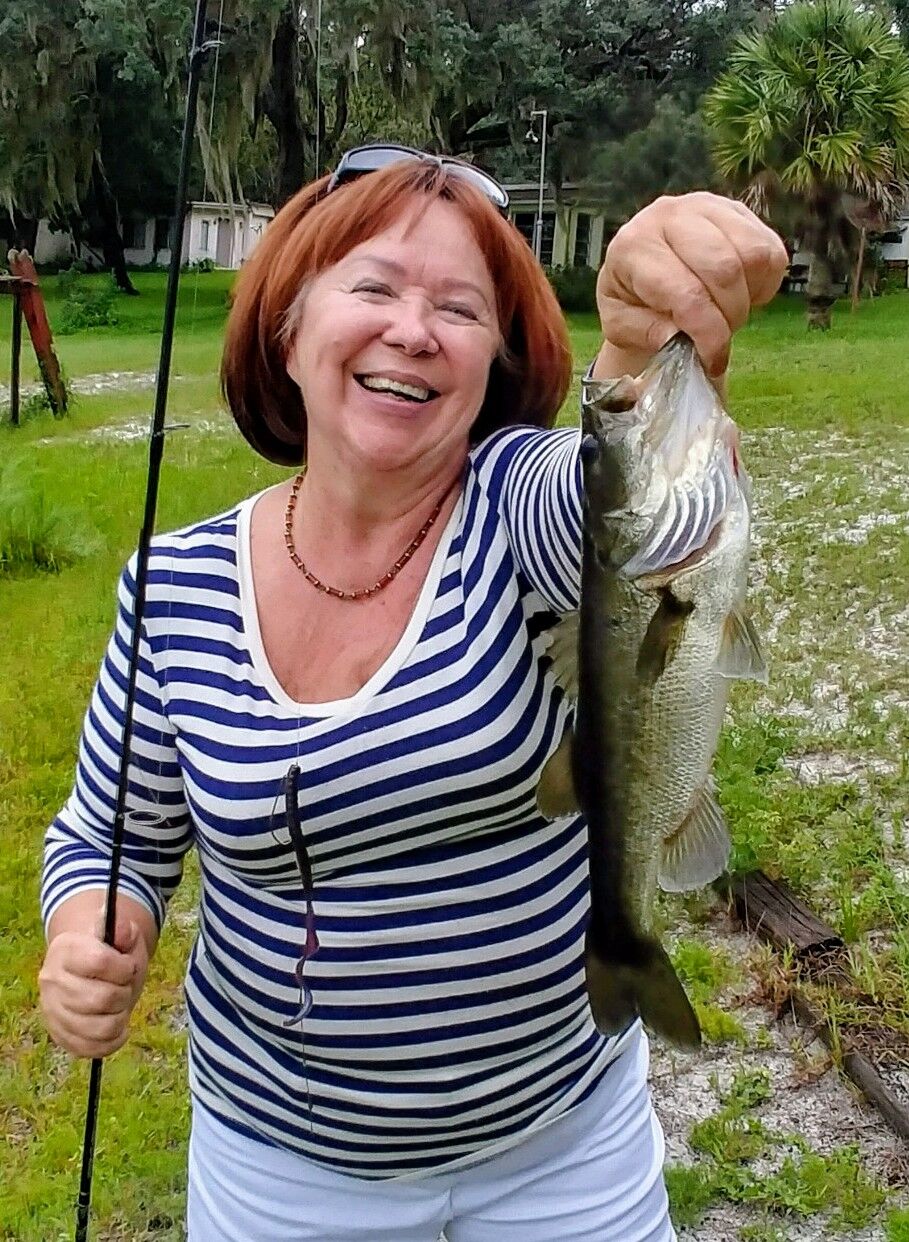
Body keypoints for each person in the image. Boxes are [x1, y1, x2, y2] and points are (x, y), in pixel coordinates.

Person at [39, 145, 787, 1241]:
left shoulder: (514, 505)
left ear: (492, 361)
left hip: (564, 1149)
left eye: (460, 307)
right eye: (375, 287)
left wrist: (632, 340)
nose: (414, 330)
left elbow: (614, 507)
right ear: (289, 331)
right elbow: (111, 836)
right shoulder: (175, 585)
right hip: (279, 1172)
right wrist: (89, 932)